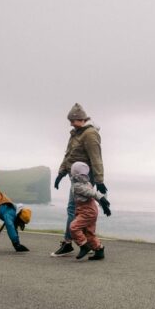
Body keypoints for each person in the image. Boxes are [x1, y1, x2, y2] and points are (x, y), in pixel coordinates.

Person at [51, 103, 107, 257]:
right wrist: (61, 173)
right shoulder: (76, 133)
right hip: (73, 177)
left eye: (72, 120)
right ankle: (92, 245)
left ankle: (71, 242)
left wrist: (100, 181)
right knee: (79, 210)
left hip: (84, 179)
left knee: (74, 209)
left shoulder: (90, 134)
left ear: (80, 119)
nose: (70, 124)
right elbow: (68, 155)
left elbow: (96, 158)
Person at [68, 160, 111, 261]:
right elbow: (93, 194)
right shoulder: (87, 183)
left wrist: (102, 199)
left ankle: (84, 246)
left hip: (86, 211)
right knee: (89, 233)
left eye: (72, 171)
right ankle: (99, 250)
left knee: (74, 227)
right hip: (91, 210)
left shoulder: (78, 186)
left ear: (75, 173)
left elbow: (92, 193)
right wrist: (104, 206)